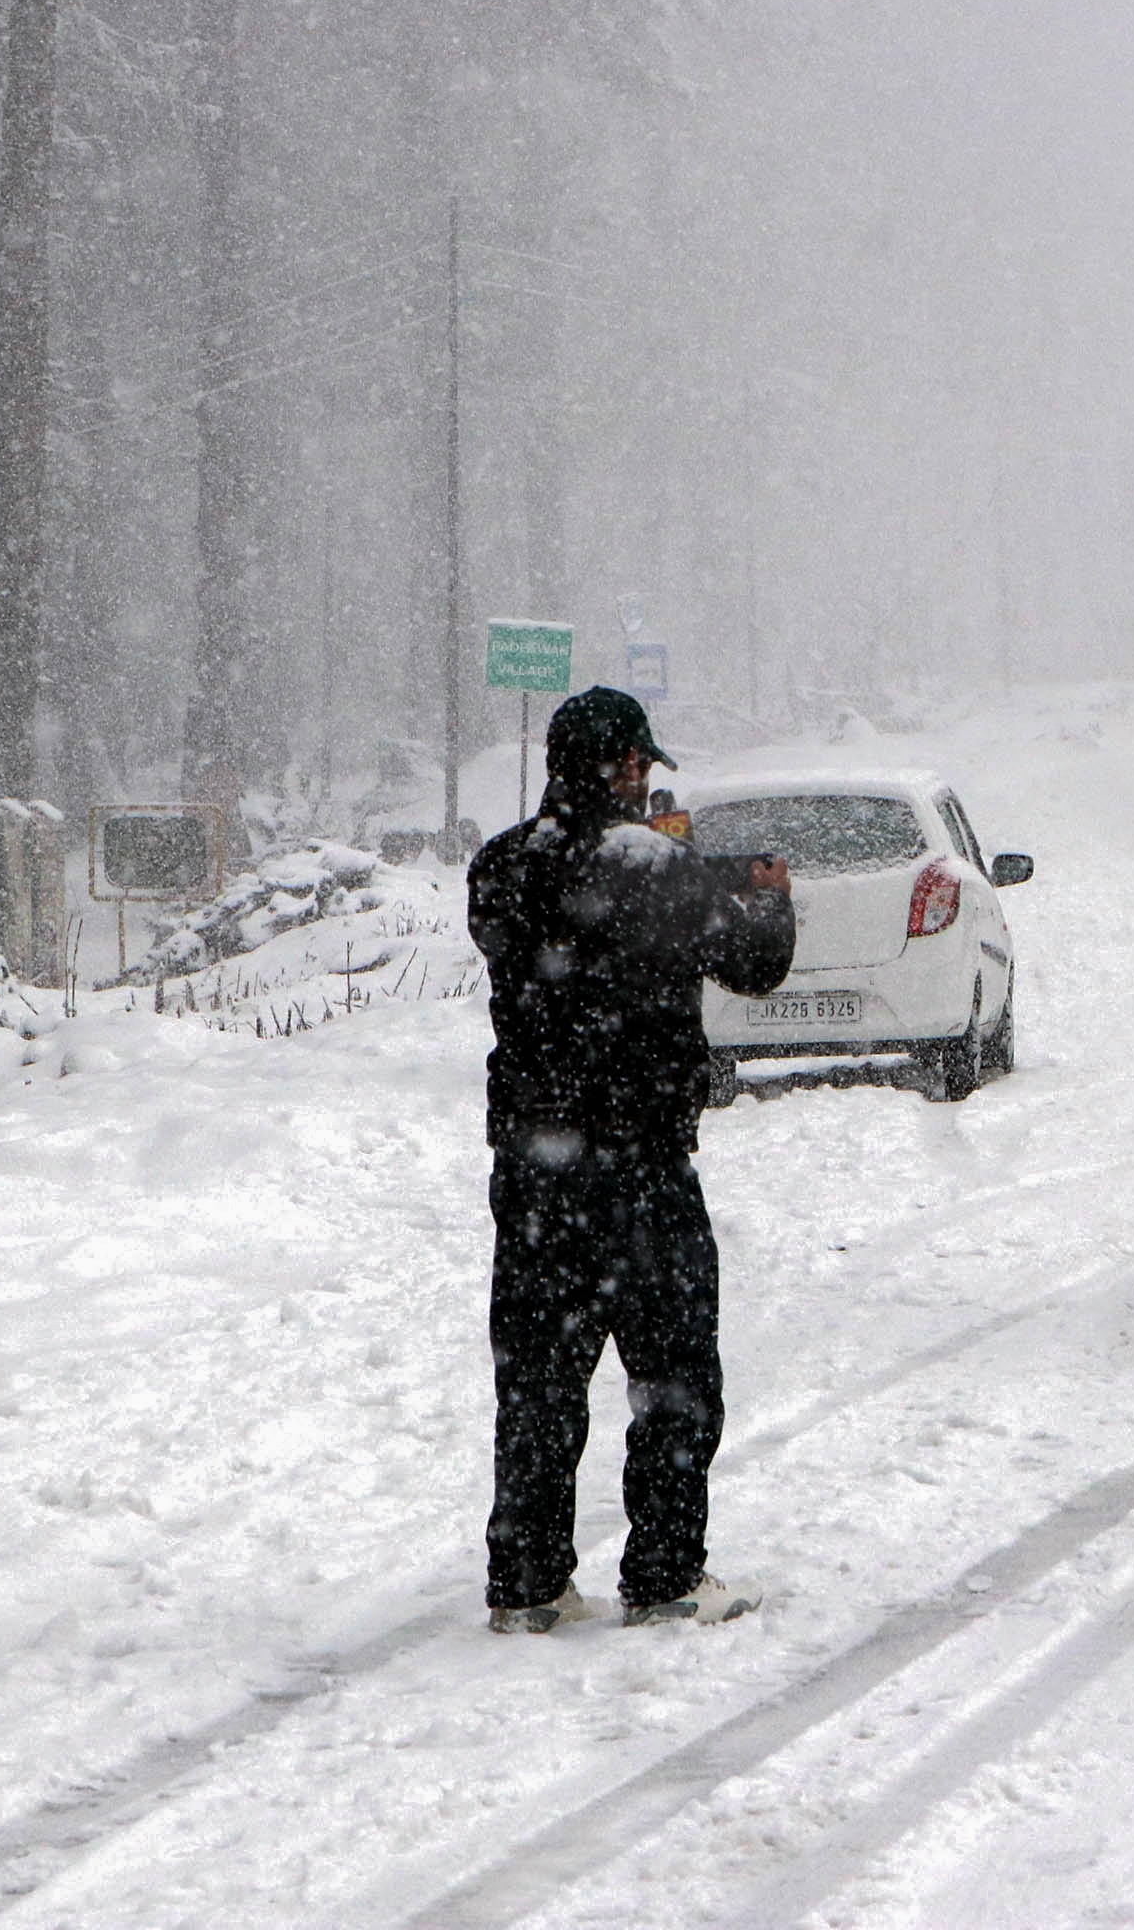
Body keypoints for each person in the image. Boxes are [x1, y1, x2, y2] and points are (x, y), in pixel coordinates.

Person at [465, 686, 796, 1633]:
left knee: (537, 1383)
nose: (646, 778)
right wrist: (764, 898)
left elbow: (535, 914)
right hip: (643, 1169)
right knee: (673, 1379)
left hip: (532, 1173)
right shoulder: (661, 870)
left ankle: (527, 1584)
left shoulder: (499, 868)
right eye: (640, 764)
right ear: (623, 767)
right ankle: (663, 1576)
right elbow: (755, 964)